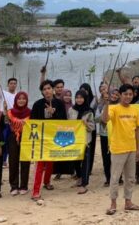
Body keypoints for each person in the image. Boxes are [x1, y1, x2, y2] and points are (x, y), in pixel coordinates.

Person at [102, 84, 139, 215]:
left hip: (131, 148)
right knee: (115, 178)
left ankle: (128, 202)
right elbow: (104, 119)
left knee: (130, 177)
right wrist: (106, 103)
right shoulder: (114, 108)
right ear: (120, 95)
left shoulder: (134, 110)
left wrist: (138, 149)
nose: (128, 96)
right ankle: (113, 204)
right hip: (118, 149)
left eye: (130, 94)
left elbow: (137, 130)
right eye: (125, 94)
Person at [30, 70, 67, 201]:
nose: (47, 91)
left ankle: (47, 182)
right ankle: (35, 191)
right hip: (41, 139)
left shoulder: (60, 104)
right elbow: (32, 122)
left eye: (49, 88)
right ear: (42, 92)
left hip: (54, 138)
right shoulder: (37, 104)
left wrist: (54, 113)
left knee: (50, 162)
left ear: (53, 90)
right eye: (44, 89)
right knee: (40, 164)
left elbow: (64, 122)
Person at [68, 90, 95, 194]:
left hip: (85, 140)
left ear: (85, 99)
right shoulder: (71, 110)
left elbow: (92, 127)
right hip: (74, 139)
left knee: (85, 162)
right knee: (75, 159)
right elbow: (67, 123)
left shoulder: (89, 111)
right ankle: (79, 177)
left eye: (81, 98)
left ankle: (84, 184)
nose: (79, 100)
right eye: (77, 97)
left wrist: (86, 124)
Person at [7, 91, 31, 195]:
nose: (21, 101)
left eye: (23, 99)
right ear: (16, 100)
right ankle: (14, 186)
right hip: (13, 137)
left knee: (25, 161)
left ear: (26, 100)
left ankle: (24, 186)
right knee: (13, 161)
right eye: (19, 99)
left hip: (26, 137)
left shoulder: (30, 112)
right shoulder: (10, 112)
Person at [95, 85, 120, 186]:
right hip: (104, 135)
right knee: (106, 157)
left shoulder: (121, 106)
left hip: (117, 135)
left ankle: (119, 178)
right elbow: (95, 119)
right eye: (112, 93)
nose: (114, 96)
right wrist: (104, 116)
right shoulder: (101, 105)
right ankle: (108, 178)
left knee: (117, 157)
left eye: (117, 94)